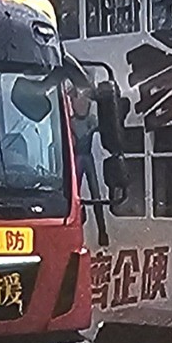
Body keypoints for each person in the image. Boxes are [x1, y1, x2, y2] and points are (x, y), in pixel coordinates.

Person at [69, 86, 109, 247]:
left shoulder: (91, 119)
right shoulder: (71, 122)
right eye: (77, 99)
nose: (81, 104)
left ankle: (102, 231)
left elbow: (104, 125)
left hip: (87, 158)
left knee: (96, 195)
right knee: (74, 195)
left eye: (84, 100)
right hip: (78, 159)